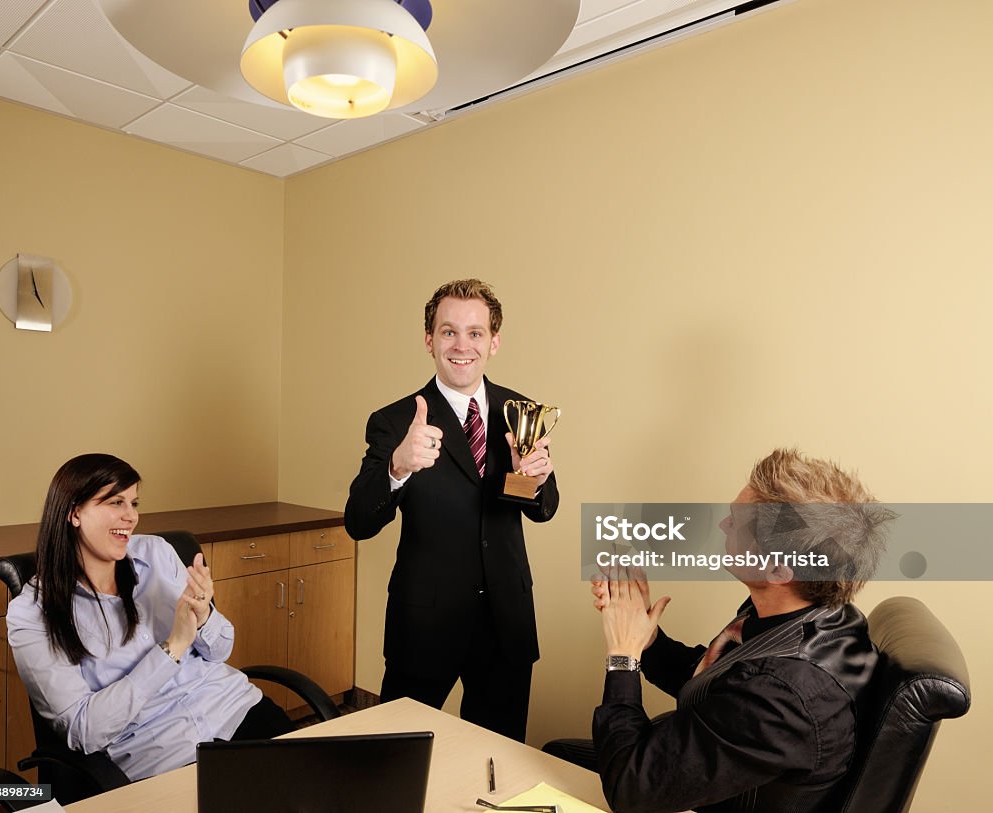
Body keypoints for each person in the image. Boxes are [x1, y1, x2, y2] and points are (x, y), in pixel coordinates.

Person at [546, 448, 895, 813]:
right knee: (557, 754)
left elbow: (632, 791)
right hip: (712, 761)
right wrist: (647, 640)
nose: (724, 525)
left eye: (737, 522)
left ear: (777, 571)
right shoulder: (811, 614)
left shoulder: (784, 697)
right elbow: (725, 685)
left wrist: (623, 656)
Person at [344, 279, 559, 742]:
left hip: (506, 622)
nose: (462, 345)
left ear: (494, 341)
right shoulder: (395, 420)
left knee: (497, 764)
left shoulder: (520, 411)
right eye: (448, 332)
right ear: (429, 340)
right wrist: (397, 466)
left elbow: (545, 510)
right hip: (424, 626)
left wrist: (533, 479)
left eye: (475, 333)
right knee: (396, 760)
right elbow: (358, 521)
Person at [6, 453, 295, 782]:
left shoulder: (156, 553)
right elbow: (83, 730)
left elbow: (220, 651)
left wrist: (203, 618)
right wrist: (172, 648)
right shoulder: (32, 612)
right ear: (74, 512)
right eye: (116, 502)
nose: (131, 517)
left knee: (325, 788)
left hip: (235, 709)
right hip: (163, 753)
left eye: (134, 503)